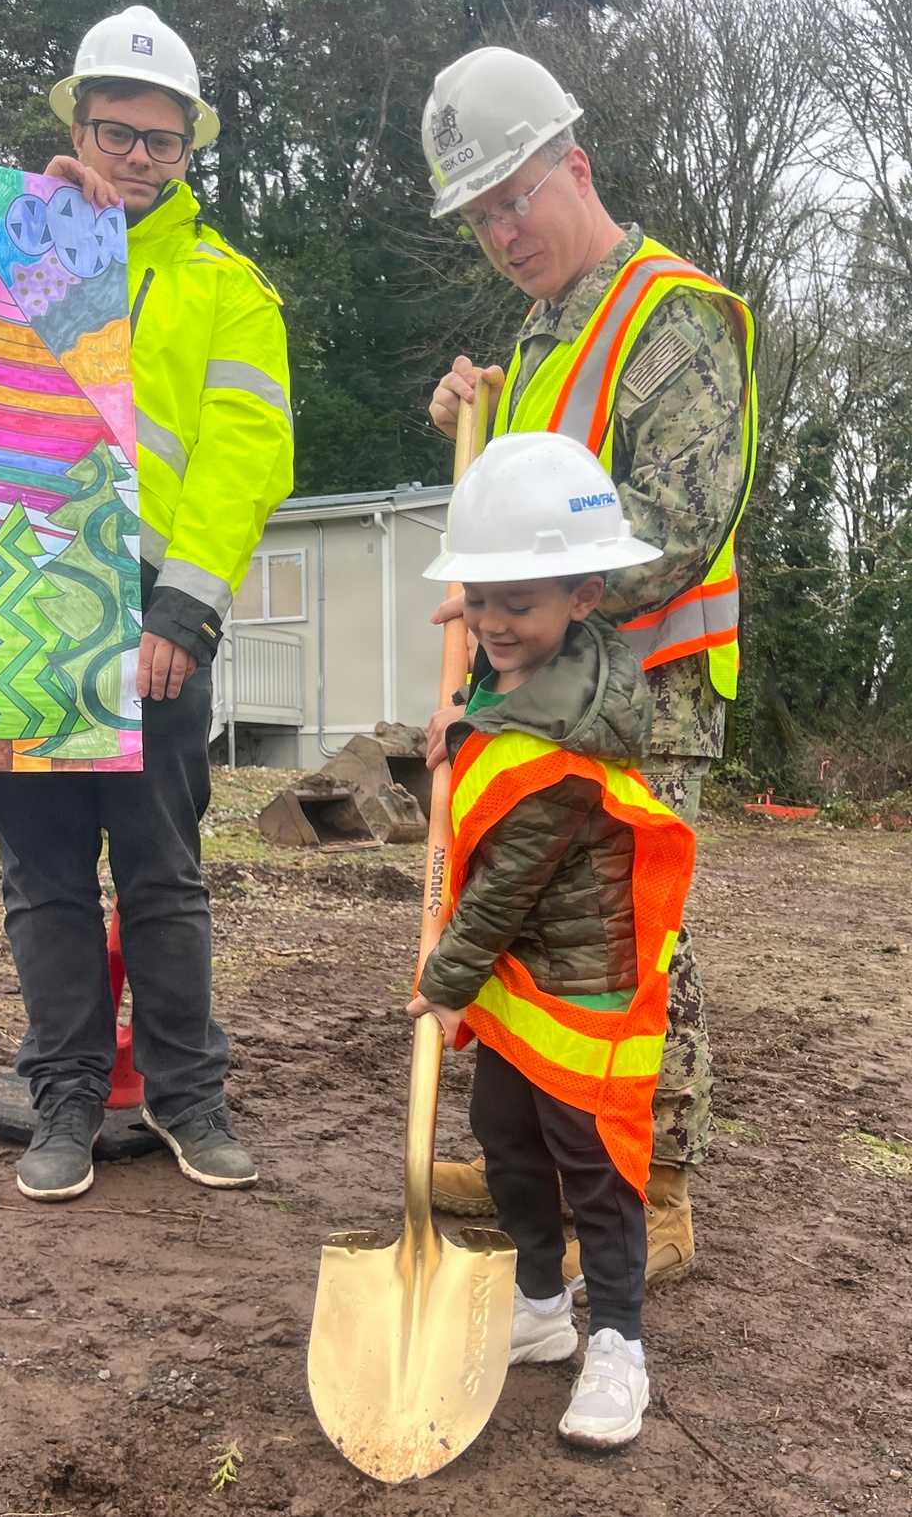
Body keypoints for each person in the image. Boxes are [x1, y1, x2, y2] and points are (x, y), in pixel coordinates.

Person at [419, 46, 757, 1293]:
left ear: (576, 165)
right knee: (524, 924)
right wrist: (476, 411)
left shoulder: (669, 311)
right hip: (539, 691)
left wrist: (507, 607)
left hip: (641, 695)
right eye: (481, 213)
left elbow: (675, 519)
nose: (503, 229)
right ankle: (553, 1173)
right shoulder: (545, 327)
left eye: (517, 194)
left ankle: (652, 1186)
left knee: (626, 940)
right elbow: (531, 493)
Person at [0, 6, 293, 1201]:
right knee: (42, 881)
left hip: (154, 624)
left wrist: (186, 611)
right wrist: (27, 241)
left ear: (188, 150)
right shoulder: (1, 256)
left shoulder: (227, 287)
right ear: (77, 121)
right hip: (22, 613)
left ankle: (185, 1097)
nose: (138, 158)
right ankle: (64, 1099)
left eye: (164, 143)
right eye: (118, 132)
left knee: (160, 874)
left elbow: (247, 452)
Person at [406, 431, 694, 1447]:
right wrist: (465, 720)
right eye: (475, 597)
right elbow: (501, 704)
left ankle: (618, 1340)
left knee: (595, 1162)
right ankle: (539, 1306)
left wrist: (442, 985)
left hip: (579, 988)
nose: (488, 622)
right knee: (506, 1140)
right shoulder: (532, 669)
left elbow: (504, 892)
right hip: (525, 985)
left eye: (514, 604)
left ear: (582, 597)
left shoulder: (565, 742)